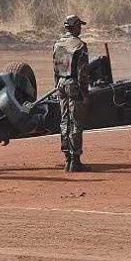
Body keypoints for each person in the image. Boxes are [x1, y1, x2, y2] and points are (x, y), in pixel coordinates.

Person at [53, 15, 91, 172]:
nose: (80, 28)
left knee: (64, 121)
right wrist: (85, 94)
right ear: (74, 27)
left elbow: (56, 69)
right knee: (75, 122)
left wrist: (57, 87)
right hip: (74, 85)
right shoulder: (80, 46)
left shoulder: (58, 44)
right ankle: (75, 160)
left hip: (61, 84)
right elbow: (83, 73)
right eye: (79, 26)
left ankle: (67, 157)